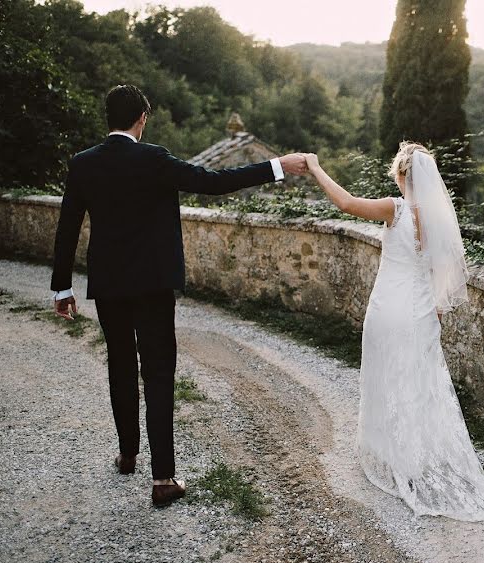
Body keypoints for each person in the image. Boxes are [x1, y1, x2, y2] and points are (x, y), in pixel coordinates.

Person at [50, 84, 308, 506]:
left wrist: (62, 287)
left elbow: (67, 228)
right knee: (157, 373)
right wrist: (277, 166)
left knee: (119, 364)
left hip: (110, 285)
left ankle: (128, 453)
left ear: (109, 118)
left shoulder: (82, 164)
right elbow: (213, 182)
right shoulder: (154, 159)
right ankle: (163, 479)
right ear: (142, 119)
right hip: (152, 284)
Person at [303, 143, 484, 521]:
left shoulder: (395, 210)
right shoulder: (440, 219)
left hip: (389, 309)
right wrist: (437, 310)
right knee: (421, 384)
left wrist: (315, 167)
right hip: (423, 311)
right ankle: (416, 458)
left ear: (401, 175)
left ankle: (395, 458)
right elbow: (442, 271)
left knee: (387, 378)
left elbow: (345, 203)